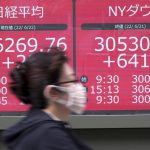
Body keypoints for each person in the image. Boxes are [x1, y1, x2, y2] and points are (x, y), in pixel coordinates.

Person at [1, 47, 93, 150]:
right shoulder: (50, 136)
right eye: (72, 81)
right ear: (53, 92)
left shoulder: (40, 127)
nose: (78, 87)